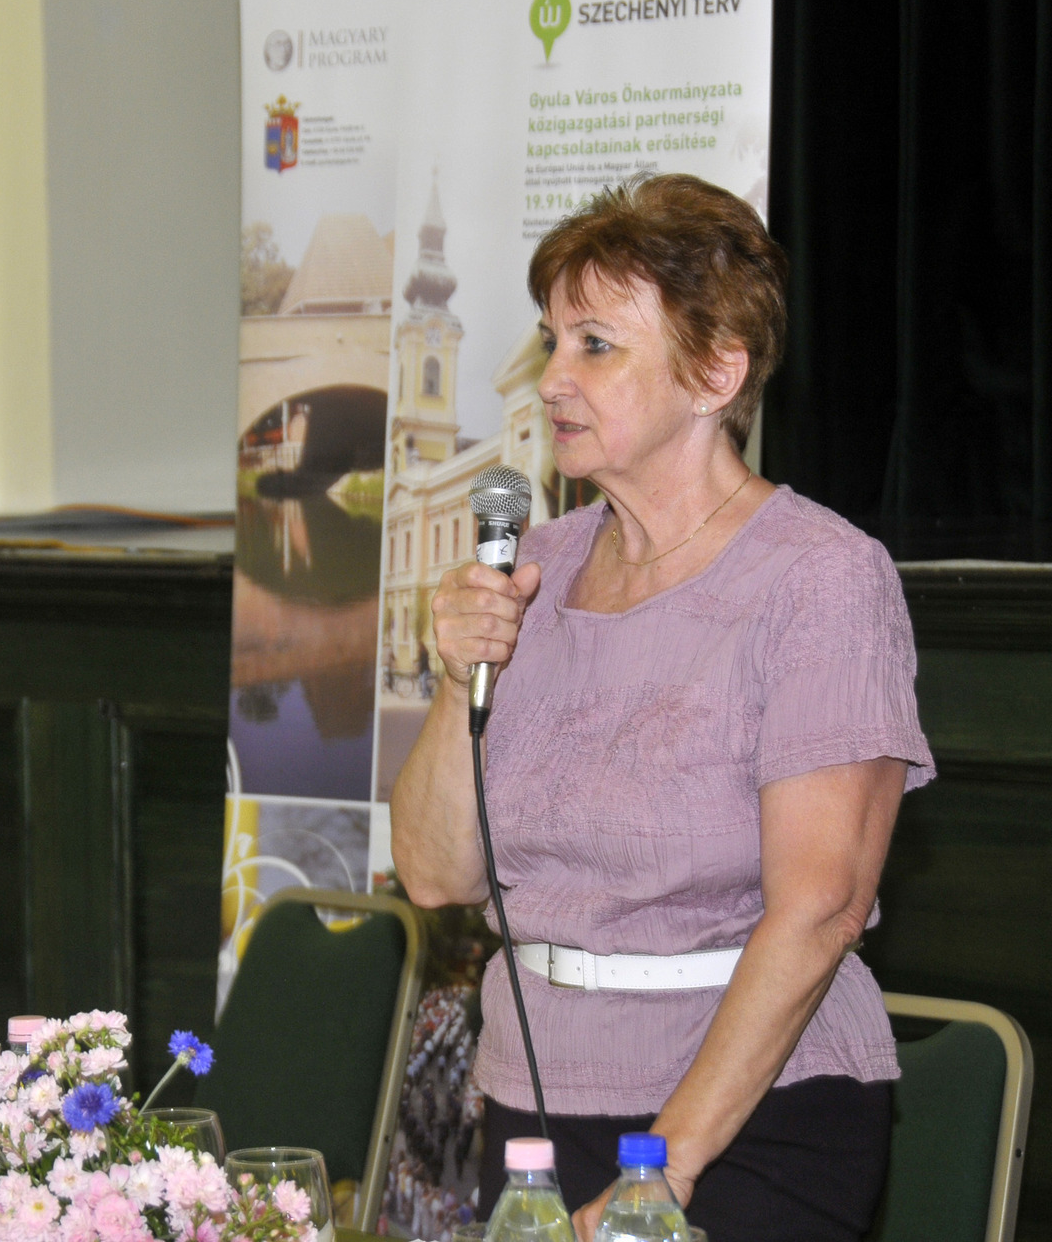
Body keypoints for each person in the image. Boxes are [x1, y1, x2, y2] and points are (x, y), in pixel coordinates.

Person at [389, 173, 933, 1242]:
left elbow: (819, 907)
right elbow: (436, 874)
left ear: (715, 372)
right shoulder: (529, 571)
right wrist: (458, 677)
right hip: (534, 1101)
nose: (553, 379)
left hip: (751, 1117)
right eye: (550, 341)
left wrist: (662, 1174)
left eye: (595, 345)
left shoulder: (820, 578)